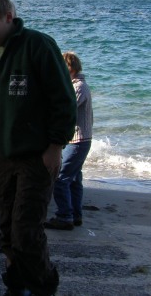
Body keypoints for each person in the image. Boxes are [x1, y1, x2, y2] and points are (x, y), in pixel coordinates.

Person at [0, 0, 76, 296]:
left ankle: (43, 286)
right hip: (1, 154)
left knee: (27, 230)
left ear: (9, 17)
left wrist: (56, 146)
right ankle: (17, 285)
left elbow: (63, 100)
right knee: (7, 231)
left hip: (36, 155)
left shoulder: (38, 46)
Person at [45, 52, 94, 230]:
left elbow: (67, 109)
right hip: (79, 140)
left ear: (69, 68)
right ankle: (75, 214)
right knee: (74, 179)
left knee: (61, 178)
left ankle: (65, 216)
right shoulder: (78, 85)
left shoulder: (78, 86)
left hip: (78, 140)